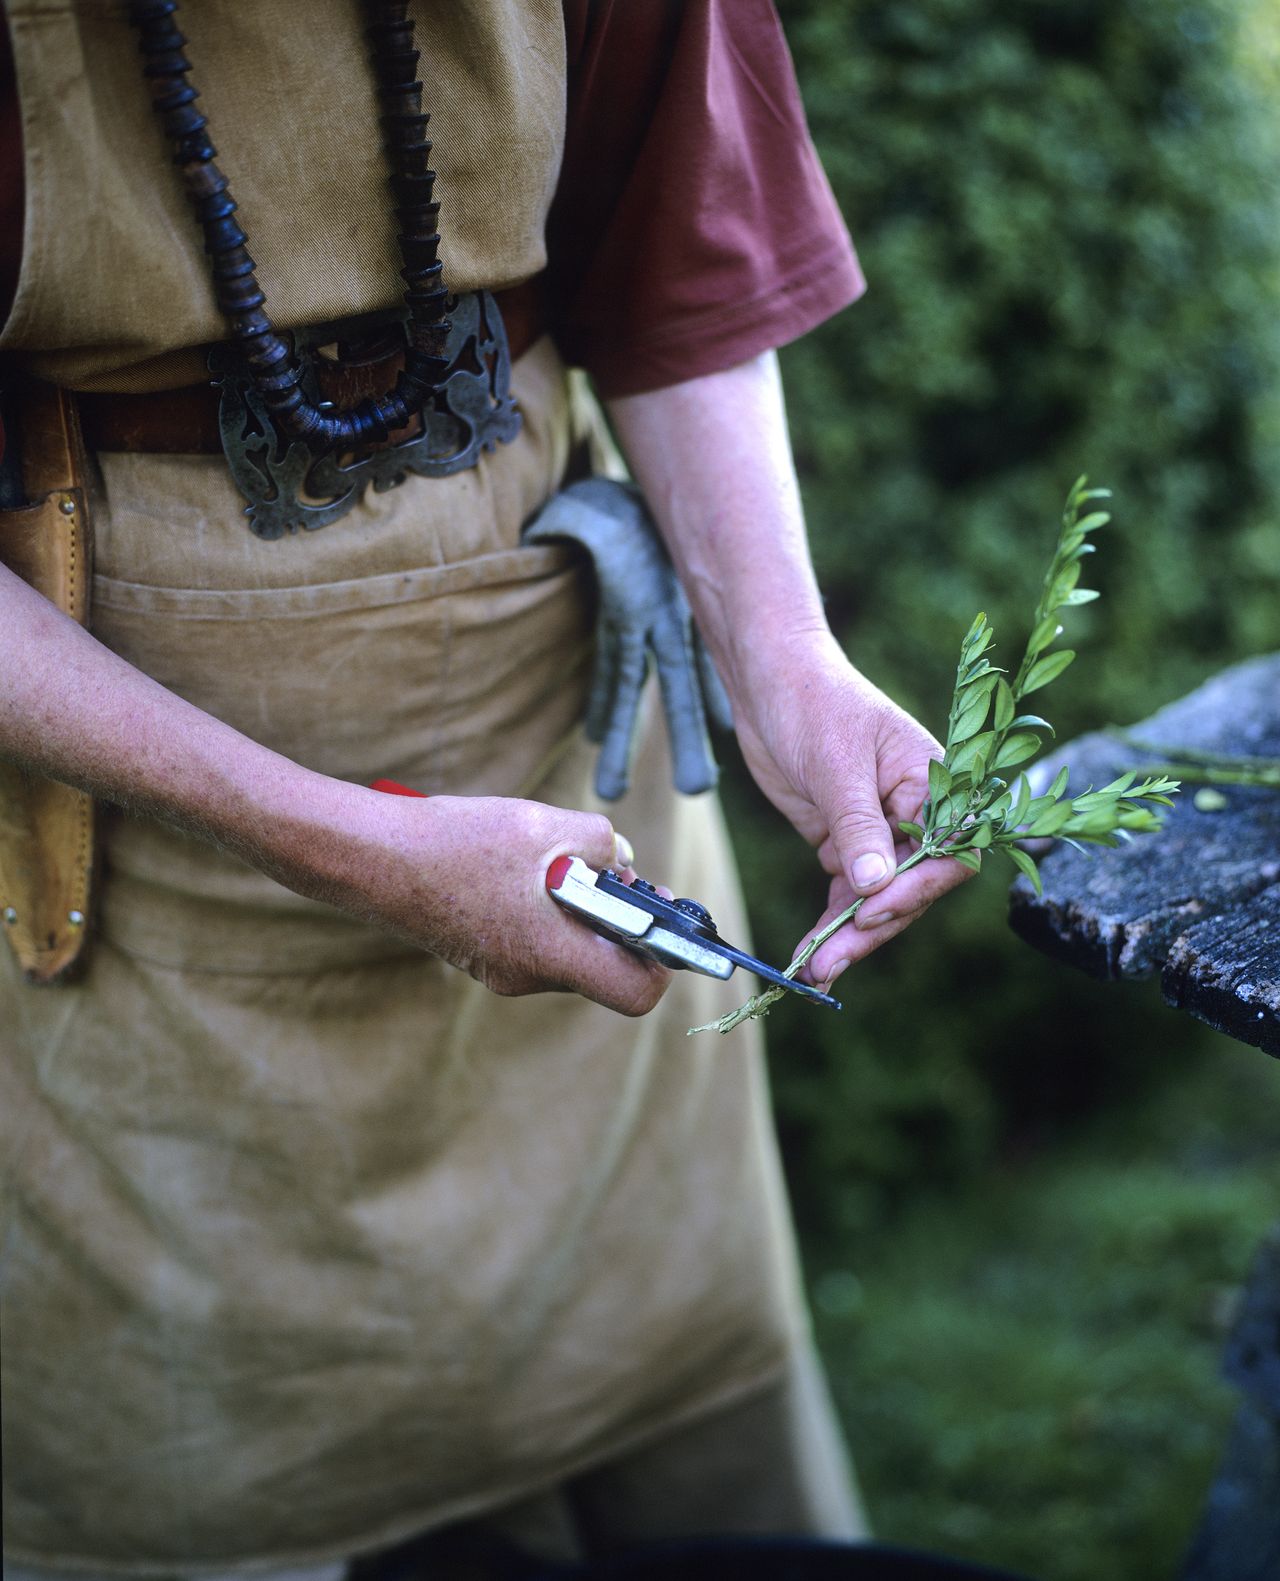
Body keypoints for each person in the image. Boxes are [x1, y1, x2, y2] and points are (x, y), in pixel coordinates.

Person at [0, 1, 969, 1575]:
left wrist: (784, 658)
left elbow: (671, 254)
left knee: (672, 1400)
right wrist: (342, 841)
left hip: (565, 716)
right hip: (133, 846)